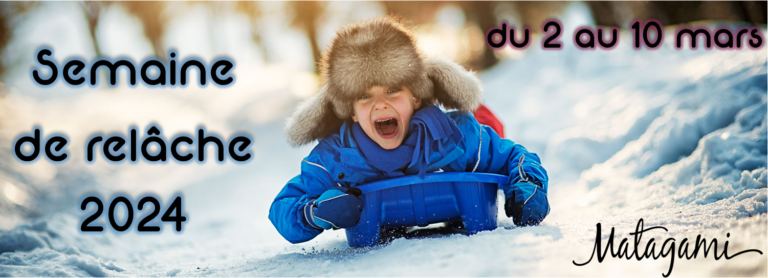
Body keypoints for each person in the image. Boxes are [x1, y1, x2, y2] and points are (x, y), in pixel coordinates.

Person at [269, 17, 549, 244]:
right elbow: (283, 206)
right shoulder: (337, 159)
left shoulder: (457, 137)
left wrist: (528, 185)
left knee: (487, 125)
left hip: (455, 132)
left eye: (393, 90)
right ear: (351, 112)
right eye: (365, 96)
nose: (380, 104)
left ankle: (485, 116)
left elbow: (514, 156)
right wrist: (314, 213)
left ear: (415, 96)